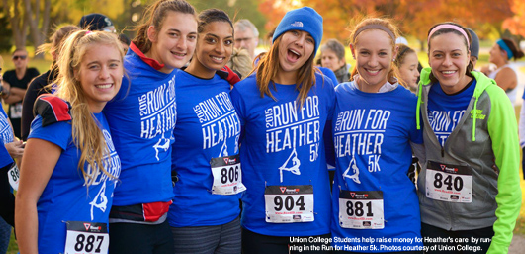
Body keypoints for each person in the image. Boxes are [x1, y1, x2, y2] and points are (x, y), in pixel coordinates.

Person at [230, 7, 335, 254]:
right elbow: (230, 154)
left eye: (310, 39)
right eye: (295, 33)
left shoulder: (324, 88)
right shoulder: (244, 92)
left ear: (312, 51)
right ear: (279, 37)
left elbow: (331, 150)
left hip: (314, 226)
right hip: (261, 225)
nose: (301, 42)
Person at [15, 29, 123, 254]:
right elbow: (25, 198)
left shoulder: (103, 117)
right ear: (75, 71)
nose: (105, 75)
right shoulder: (59, 119)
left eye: (113, 65)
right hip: (52, 244)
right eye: (94, 66)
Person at [416, 22, 521, 254]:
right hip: (431, 222)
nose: (447, 63)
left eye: (456, 54)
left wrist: (501, 242)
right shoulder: (421, 96)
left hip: (479, 224)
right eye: (438, 55)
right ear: (429, 57)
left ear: (469, 56)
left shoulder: (492, 99)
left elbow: (510, 175)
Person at [102, 0, 197, 253]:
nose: (183, 45)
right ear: (153, 33)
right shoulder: (124, 73)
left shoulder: (175, 74)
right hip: (124, 215)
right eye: (173, 34)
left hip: (164, 215)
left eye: (191, 36)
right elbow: (74, 93)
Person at [330, 18, 423, 253]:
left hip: (398, 232)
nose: (373, 62)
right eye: (365, 53)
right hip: (345, 234)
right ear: (352, 51)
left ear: (394, 52)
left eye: (382, 53)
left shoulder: (409, 104)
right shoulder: (336, 97)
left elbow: (429, 159)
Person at [167, 9, 244, 254]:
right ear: (194, 39)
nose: (220, 49)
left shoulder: (227, 85)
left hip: (231, 215)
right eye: (211, 39)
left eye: (227, 41)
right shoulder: (172, 87)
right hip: (190, 219)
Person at [21, 25, 79, 141]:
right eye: (66, 53)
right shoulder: (40, 85)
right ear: (54, 54)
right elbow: (27, 135)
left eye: (76, 52)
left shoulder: (85, 82)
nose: (71, 59)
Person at [1, 49, 40, 139]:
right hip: (13, 119)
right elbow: (6, 99)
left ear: (27, 60)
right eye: (16, 57)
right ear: (12, 60)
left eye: (22, 57)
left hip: (30, 117)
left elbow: (34, 95)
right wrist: (26, 93)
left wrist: (13, 90)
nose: (19, 60)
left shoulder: (33, 73)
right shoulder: (8, 75)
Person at [485, 37, 524, 106]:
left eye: (494, 48)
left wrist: (484, 75)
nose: (490, 51)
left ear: (504, 53)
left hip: (502, 116)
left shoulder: (507, 72)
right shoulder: (498, 70)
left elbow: (489, 96)